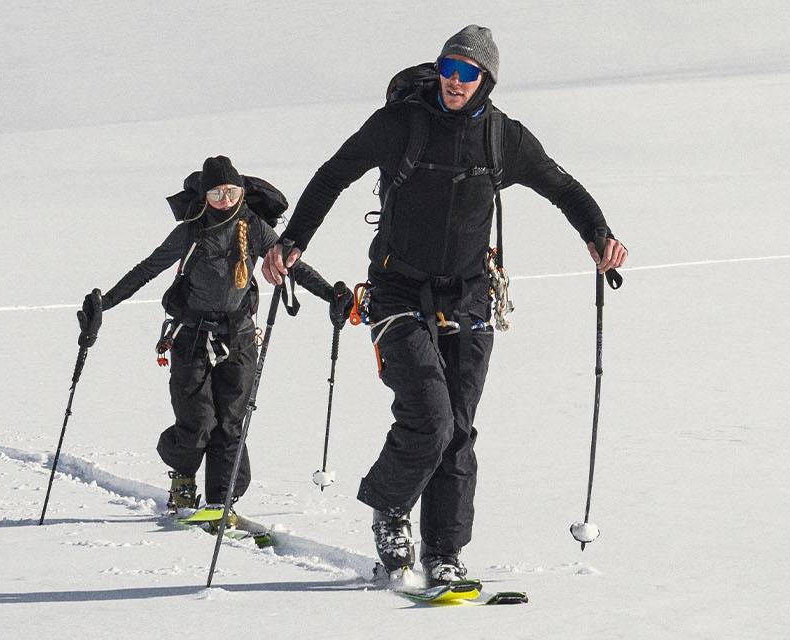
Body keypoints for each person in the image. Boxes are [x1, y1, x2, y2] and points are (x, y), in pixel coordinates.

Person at [261, 25, 629, 584]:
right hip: (396, 289)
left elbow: (562, 186)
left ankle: (445, 553)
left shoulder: (505, 138)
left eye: (467, 73)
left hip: (472, 294)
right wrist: (293, 242)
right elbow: (333, 175)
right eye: (447, 69)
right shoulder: (400, 125)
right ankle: (391, 510)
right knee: (430, 418)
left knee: (458, 427)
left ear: (487, 79)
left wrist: (597, 234)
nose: (454, 82)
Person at [83, 155, 339, 524]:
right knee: (198, 421)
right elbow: (148, 268)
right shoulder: (191, 231)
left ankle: (222, 503)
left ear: (241, 191)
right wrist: (105, 303)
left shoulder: (253, 226)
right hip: (192, 337)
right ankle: (183, 479)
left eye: (231, 192)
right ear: (204, 195)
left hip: (240, 337)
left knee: (232, 422)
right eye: (216, 193)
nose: (224, 199)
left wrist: (332, 294)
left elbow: (290, 262)